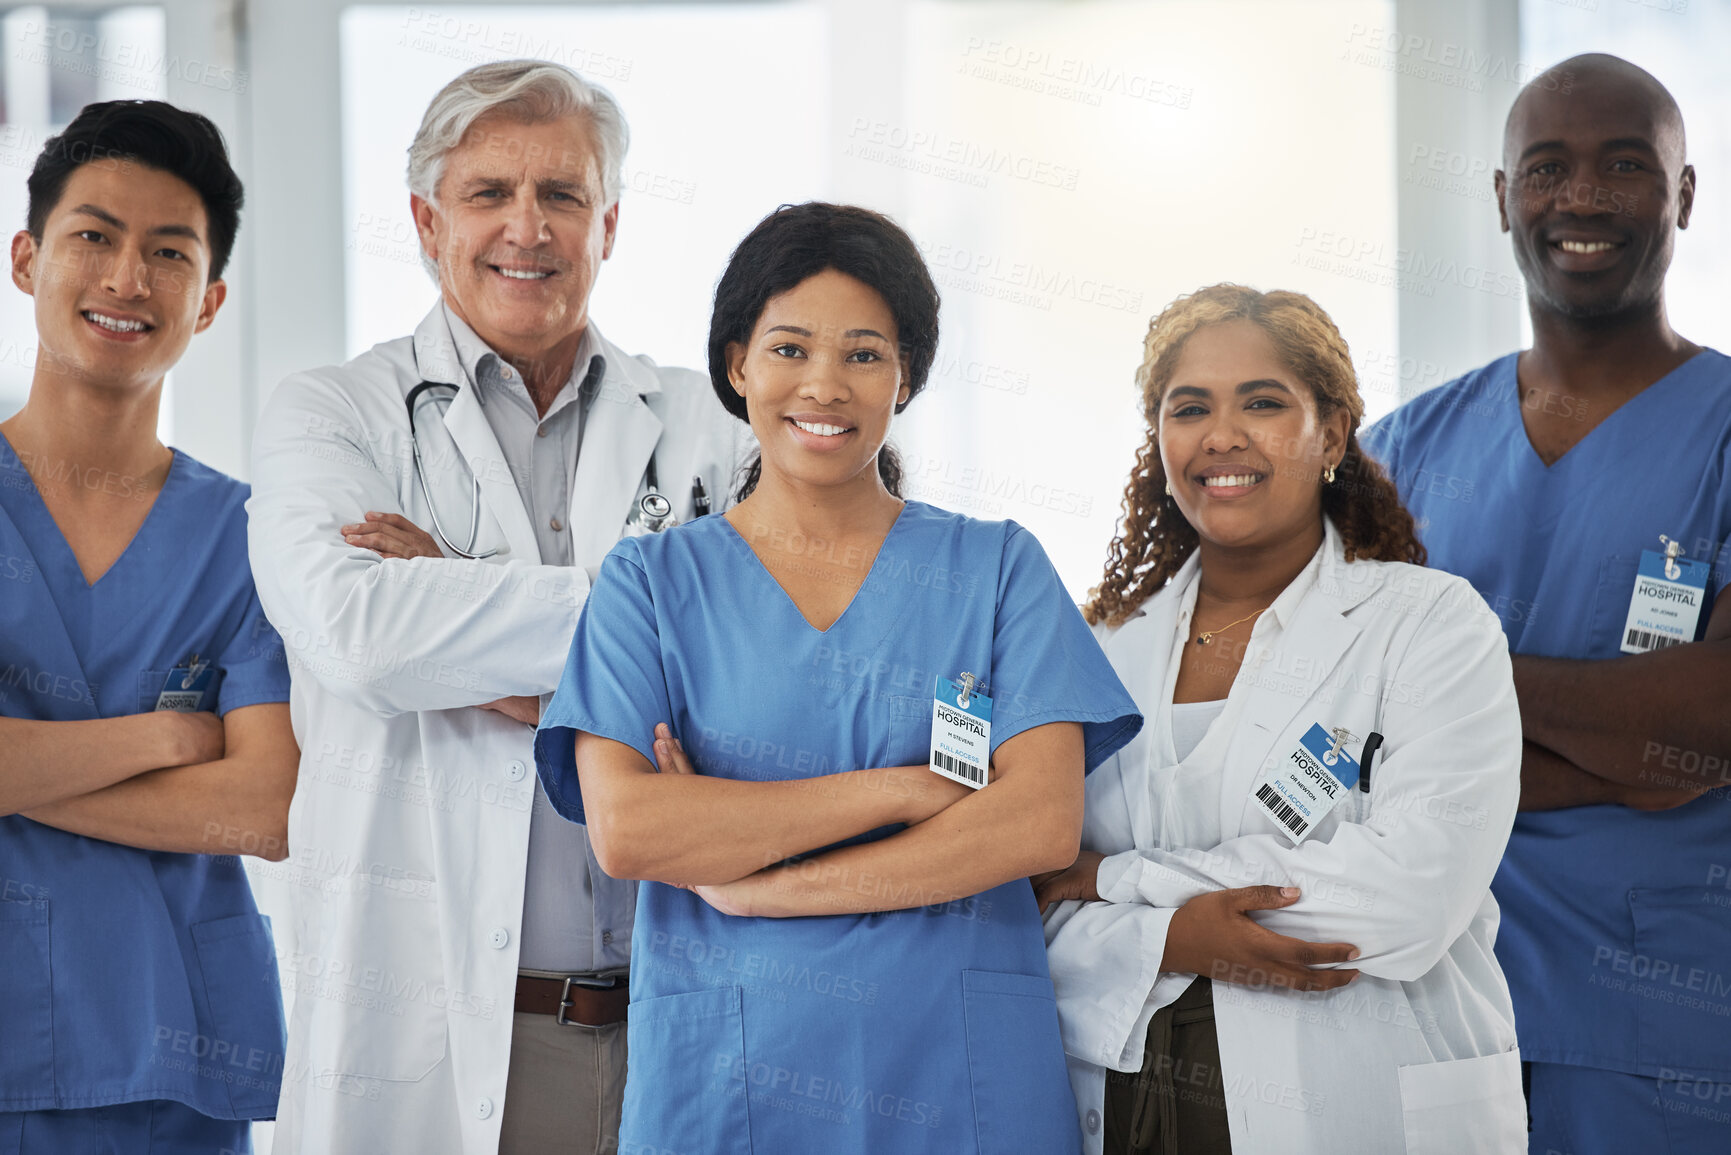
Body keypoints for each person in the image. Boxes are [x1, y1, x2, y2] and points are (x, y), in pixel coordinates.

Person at [532, 201, 1141, 1154]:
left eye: (864, 353)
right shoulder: (649, 584)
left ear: (907, 376)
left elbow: (1034, 822)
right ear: (736, 366)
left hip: (959, 1075)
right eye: (787, 349)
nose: (824, 383)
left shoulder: (996, 569)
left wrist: (760, 882)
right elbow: (630, 828)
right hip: (731, 1079)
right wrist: (906, 791)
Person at [246, 61, 741, 1154]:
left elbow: (772, 663)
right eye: (489, 195)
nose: (529, 227)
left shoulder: (711, 425)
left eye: (563, 195)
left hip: (684, 1024)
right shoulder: (333, 413)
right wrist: (659, 623)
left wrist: (453, 589)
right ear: (428, 222)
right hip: (446, 1038)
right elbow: (360, 634)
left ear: (608, 226)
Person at [1038, 284, 1527, 1154]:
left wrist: (1119, 883)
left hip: (1358, 1099)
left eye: (1261, 403)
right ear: (1160, 441)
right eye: (1188, 408)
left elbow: (1409, 895)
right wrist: (1166, 927)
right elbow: (1031, 905)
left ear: (1332, 434)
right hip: (1131, 1098)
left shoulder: (1430, 624)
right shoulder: (1095, 646)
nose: (1221, 435)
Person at [1361, 54, 1731, 1154]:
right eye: (1546, 167)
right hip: (1425, 999)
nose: (1582, 197)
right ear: (1501, 197)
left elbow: (1710, 720)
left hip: (1663, 1012)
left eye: (1625, 164)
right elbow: (1332, 727)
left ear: (1684, 196)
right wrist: (1628, 754)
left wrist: (1446, 696)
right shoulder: (1399, 453)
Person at [0, 101, 297, 1153]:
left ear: (208, 301)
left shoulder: (255, 537)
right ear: (27, 259)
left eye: (168, 252)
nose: (129, 278)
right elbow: (217, 779)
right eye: (94, 237)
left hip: (177, 1060)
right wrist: (161, 740)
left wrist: (26, 770)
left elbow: (264, 806)